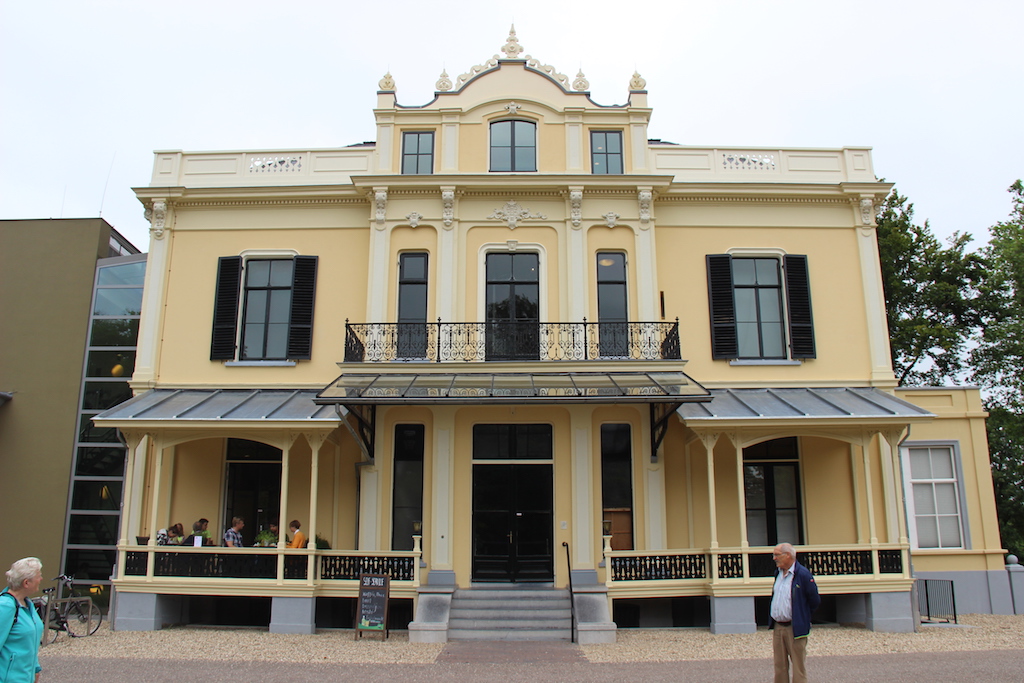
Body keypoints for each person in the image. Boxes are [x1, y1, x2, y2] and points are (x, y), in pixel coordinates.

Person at [769, 542, 820, 683]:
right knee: (780, 666)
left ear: (788, 555)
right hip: (779, 627)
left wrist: (802, 617)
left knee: (798, 666)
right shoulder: (778, 574)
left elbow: (814, 600)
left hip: (795, 628)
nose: (774, 558)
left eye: (777, 555)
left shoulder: (803, 575)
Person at [1, 557, 45, 683]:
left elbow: (30, 641)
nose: (41, 579)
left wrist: (35, 669)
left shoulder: (28, 605)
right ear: (26, 583)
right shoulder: (5, 607)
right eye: (39, 575)